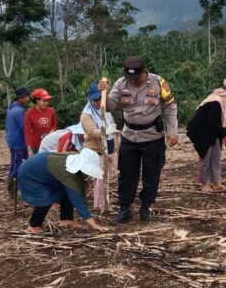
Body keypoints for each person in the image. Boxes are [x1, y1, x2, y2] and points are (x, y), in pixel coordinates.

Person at [99, 56, 178, 223]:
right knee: (127, 174)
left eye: (136, 78)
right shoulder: (121, 83)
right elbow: (111, 105)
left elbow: (170, 106)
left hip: (152, 137)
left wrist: (173, 131)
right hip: (129, 136)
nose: (132, 82)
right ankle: (125, 208)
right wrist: (103, 94)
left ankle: (146, 206)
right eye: (130, 78)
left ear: (144, 72)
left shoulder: (158, 82)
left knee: (151, 174)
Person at [18, 148, 109, 233]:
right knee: (44, 198)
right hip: (30, 173)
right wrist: (94, 225)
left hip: (42, 170)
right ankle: (34, 225)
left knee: (67, 191)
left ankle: (66, 220)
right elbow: (76, 199)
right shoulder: (68, 173)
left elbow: (78, 190)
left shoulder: (73, 161)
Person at [186, 78, 226, 192]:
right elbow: (212, 122)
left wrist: (223, 134)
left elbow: (215, 123)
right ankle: (204, 184)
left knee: (216, 157)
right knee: (205, 158)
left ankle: (216, 182)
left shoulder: (221, 101)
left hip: (211, 132)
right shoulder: (215, 102)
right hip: (201, 132)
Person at [80, 83, 118, 211]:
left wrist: (112, 130)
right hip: (97, 149)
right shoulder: (86, 115)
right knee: (100, 177)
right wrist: (105, 132)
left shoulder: (106, 110)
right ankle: (100, 204)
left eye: (100, 98)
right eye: (95, 99)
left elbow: (111, 121)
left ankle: (104, 200)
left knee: (107, 176)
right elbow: (92, 131)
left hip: (110, 146)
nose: (98, 102)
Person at [6, 87, 30, 197]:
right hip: (18, 142)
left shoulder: (12, 108)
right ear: (20, 98)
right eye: (26, 96)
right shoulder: (19, 111)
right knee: (17, 166)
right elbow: (24, 127)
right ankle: (13, 191)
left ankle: (14, 189)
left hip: (13, 140)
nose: (28, 98)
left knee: (15, 164)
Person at [24, 88, 58, 156]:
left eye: (47, 101)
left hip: (49, 144)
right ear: (37, 100)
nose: (46, 103)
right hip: (36, 146)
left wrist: (53, 130)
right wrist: (29, 149)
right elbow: (27, 132)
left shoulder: (51, 111)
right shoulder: (29, 113)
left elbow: (55, 124)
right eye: (44, 101)